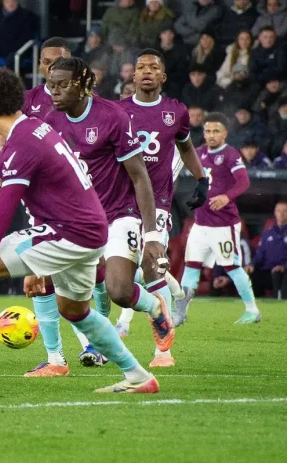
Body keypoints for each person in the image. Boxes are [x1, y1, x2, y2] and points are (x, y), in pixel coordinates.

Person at [0, 68, 159, 395]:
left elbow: (0, 218)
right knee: (75, 311)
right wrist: (38, 263)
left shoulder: (21, 144)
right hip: (90, 231)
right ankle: (138, 376)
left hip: (70, 232)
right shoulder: (36, 127)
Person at [32, 57, 174, 374]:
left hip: (117, 214)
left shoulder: (112, 116)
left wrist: (152, 235)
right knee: (56, 292)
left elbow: (139, 176)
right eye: (51, 84)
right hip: (75, 220)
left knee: (119, 290)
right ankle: (56, 360)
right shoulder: (50, 122)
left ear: (83, 85)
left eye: (62, 85)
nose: (54, 91)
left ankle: (155, 307)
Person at [116, 49, 209, 367]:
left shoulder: (175, 111)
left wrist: (202, 179)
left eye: (153, 67)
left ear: (163, 76)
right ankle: (174, 294)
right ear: (133, 75)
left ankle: (163, 352)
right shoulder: (117, 111)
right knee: (117, 275)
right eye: (141, 66)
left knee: (152, 265)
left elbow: (186, 147)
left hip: (157, 202)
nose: (146, 71)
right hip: (118, 202)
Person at [174, 112, 261, 325]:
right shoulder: (198, 153)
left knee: (232, 267)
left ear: (225, 133)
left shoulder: (230, 154)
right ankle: (180, 313)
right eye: (208, 131)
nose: (211, 135)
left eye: (216, 131)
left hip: (223, 224)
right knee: (191, 266)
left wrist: (226, 197)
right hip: (200, 223)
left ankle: (252, 310)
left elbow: (244, 182)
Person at [245, 201, 287, 298]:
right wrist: (252, 264)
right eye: (278, 211)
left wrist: (284, 266)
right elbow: (260, 253)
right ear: (274, 213)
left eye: (285, 211)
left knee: (279, 274)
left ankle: (280, 302)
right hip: (267, 270)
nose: (281, 214)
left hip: (283, 271)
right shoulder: (267, 233)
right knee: (250, 273)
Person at [22, 37, 71, 118]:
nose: (52, 67)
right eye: (47, 62)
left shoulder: (87, 99)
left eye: (59, 62)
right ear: (40, 65)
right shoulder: (26, 99)